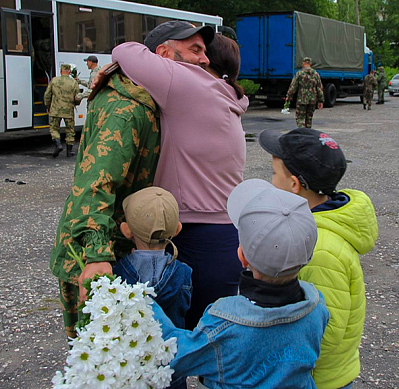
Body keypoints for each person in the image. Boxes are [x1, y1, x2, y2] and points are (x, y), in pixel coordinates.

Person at [109, 23, 249, 329]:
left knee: (171, 344)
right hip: (224, 235)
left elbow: (124, 49)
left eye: (204, 51)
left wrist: (111, 72)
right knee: (214, 347)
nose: (204, 60)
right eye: (196, 50)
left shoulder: (188, 83)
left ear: (162, 55)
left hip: (196, 236)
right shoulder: (220, 95)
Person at [150, 179, 330, 389]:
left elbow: (176, 353)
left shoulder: (226, 322)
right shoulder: (316, 306)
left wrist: (144, 301)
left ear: (241, 257)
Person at [258, 128, 378, 389]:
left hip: (318, 379)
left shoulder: (320, 248)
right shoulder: (312, 229)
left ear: (293, 184)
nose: (271, 181)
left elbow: (326, 332)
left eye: (274, 174)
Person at [49, 60, 161, 338]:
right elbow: (97, 183)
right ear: (163, 53)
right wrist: (97, 255)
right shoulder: (127, 111)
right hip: (97, 254)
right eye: (193, 50)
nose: (202, 58)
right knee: (99, 352)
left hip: (110, 247)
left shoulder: (133, 96)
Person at [114, 186, 191, 389]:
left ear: (126, 230)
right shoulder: (184, 273)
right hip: (172, 367)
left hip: (131, 371)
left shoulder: (117, 273)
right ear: (177, 229)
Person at [43, 63, 79, 158]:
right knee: (70, 130)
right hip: (68, 111)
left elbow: (47, 94)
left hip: (55, 109)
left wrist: (48, 106)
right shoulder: (73, 82)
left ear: (61, 71)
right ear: (69, 71)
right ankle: (69, 151)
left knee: (54, 128)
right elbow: (77, 97)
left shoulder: (54, 80)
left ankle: (58, 144)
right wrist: (75, 104)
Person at [286, 57, 324, 128]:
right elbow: (319, 88)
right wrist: (320, 101)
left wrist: (289, 96)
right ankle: (308, 133)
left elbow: (293, 86)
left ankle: (302, 132)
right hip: (312, 100)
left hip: (302, 100)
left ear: (303, 63)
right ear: (310, 64)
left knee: (300, 118)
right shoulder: (315, 74)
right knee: (309, 118)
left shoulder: (299, 73)